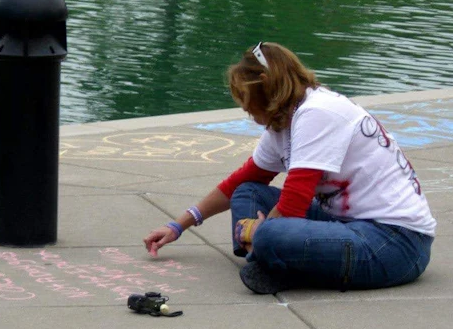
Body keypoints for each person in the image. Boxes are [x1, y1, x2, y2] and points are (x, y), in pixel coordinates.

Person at [143, 41, 436, 294]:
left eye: (245, 100)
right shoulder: (284, 121)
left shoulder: (318, 113)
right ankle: (270, 258)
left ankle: (267, 254)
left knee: (271, 234)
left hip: (395, 244)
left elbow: (293, 204)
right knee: (248, 192)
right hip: (347, 224)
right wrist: (178, 225)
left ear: (264, 88)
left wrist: (259, 231)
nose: (245, 110)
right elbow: (242, 181)